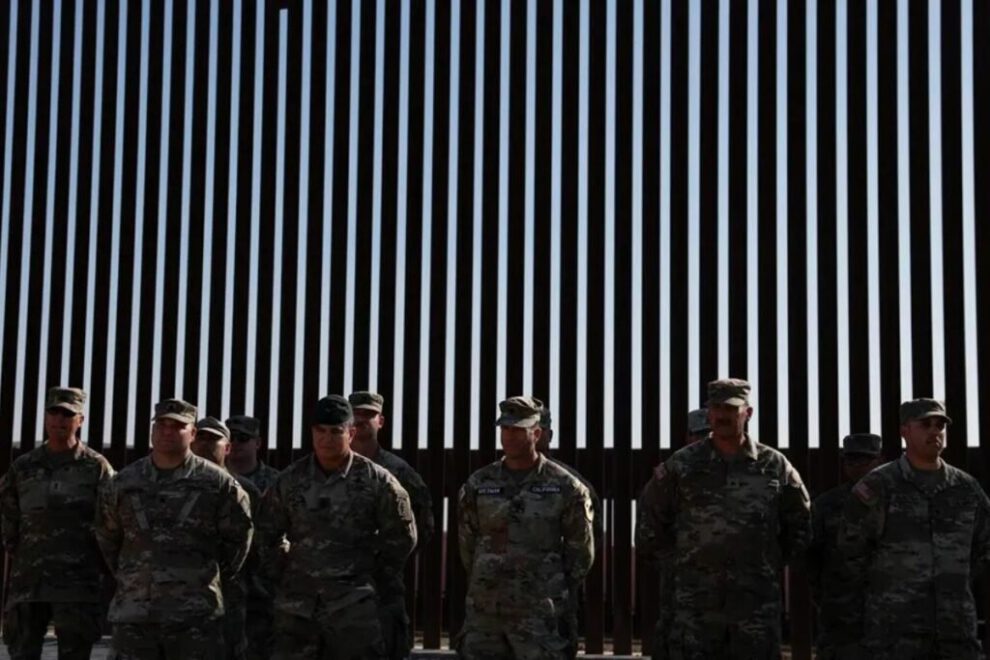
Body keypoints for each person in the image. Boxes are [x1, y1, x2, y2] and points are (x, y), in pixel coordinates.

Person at [636, 378, 811, 659]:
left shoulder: (773, 465)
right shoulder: (682, 465)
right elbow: (650, 521)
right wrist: (679, 565)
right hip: (695, 607)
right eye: (716, 408)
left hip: (754, 607)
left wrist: (768, 562)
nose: (722, 415)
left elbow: (800, 522)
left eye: (731, 408)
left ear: (747, 413)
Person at [255, 395, 417, 659]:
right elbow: (266, 534)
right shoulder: (289, 481)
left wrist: (370, 576)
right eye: (320, 431)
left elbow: (401, 537)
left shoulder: (377, 481)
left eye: (335, 431)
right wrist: (286, 572)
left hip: (354, 611)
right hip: (298, 611)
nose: (326, 439)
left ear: (351, 433)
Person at [95, 398, 253, 659]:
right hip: (135, 616)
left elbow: (238, 543)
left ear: (192, 433)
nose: (167, 431)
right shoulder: (123, 483)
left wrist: (200, 578)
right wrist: (137, 575)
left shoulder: (219, 485)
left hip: (194, 618)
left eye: (178, 426)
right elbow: (107, 538)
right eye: (162, 424)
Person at [839, 399, 990, 659]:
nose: (935, 431)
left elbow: (983, 548)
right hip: (895, 634)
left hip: (955, 631)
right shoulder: (879, 486)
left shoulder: (967, 489)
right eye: (925, 424)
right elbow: (851, 555)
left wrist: (951, 582)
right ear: (905, 431)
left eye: (940, 425)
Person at [457, 396, 595, 659]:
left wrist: (546, 583)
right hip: (486, 618)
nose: (509, 436)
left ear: (537, 433)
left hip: (539, 618)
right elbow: (468, 546)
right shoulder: (479, 484)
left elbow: (580, 555)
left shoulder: (566, 487)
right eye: (505, 428)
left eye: (518, 430)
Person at [0, 387, 115, 660]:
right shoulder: (24, 466)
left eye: (68, 414)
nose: (59, 419)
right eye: (54, 412)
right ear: (46, 416)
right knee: (22, 653)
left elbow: (111, 520)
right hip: (29, 582)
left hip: (76, 584)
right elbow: (8, 515)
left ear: (80, 420)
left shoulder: (96, 467)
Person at [348, 391, 434, 660]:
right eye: (356, 414)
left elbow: (422, 528)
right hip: (330, 593)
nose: (361, 420)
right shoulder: (328, 467)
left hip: (381, 593)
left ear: (381, 421)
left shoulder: (399, 473)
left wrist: (384, 562)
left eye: (369, 414)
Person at [805, 433, 883, 659]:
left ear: (880, 460)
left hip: (891, 614)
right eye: (851, 460)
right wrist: (827, 595)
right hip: (841, 615)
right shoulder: (827, 505)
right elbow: (810, 556)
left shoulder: (899, 501)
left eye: (864, 460)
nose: (857, 466)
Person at [192, 417, 264, 660]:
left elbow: (258, 547)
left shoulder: (243, 490)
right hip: (179, 599)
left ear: (227, 447)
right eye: (201, 437)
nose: (205, 444)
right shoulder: (171, 485)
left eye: (213, 439)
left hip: (231, 597)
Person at [534, 404, 601, 659]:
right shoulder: (487, 481)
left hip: (552, 604)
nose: (530, 436)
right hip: (497, 607)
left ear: (548, 435)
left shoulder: (570, 484)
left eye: (538, 429)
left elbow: (587, 545)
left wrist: (560, 582)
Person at [646, 408, 711, 660]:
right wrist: (675, 562)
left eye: (709, 434)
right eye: (699, 434)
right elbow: (647, 535)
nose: (704, 441)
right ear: (688, 437)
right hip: (683, 594)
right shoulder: (671, 475)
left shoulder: (751, 471)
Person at [226, 415, 280, 494]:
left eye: (243, 438)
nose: (235, 442)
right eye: (230, 438)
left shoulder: (276, 481)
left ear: (257, 443)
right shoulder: (214, 477)